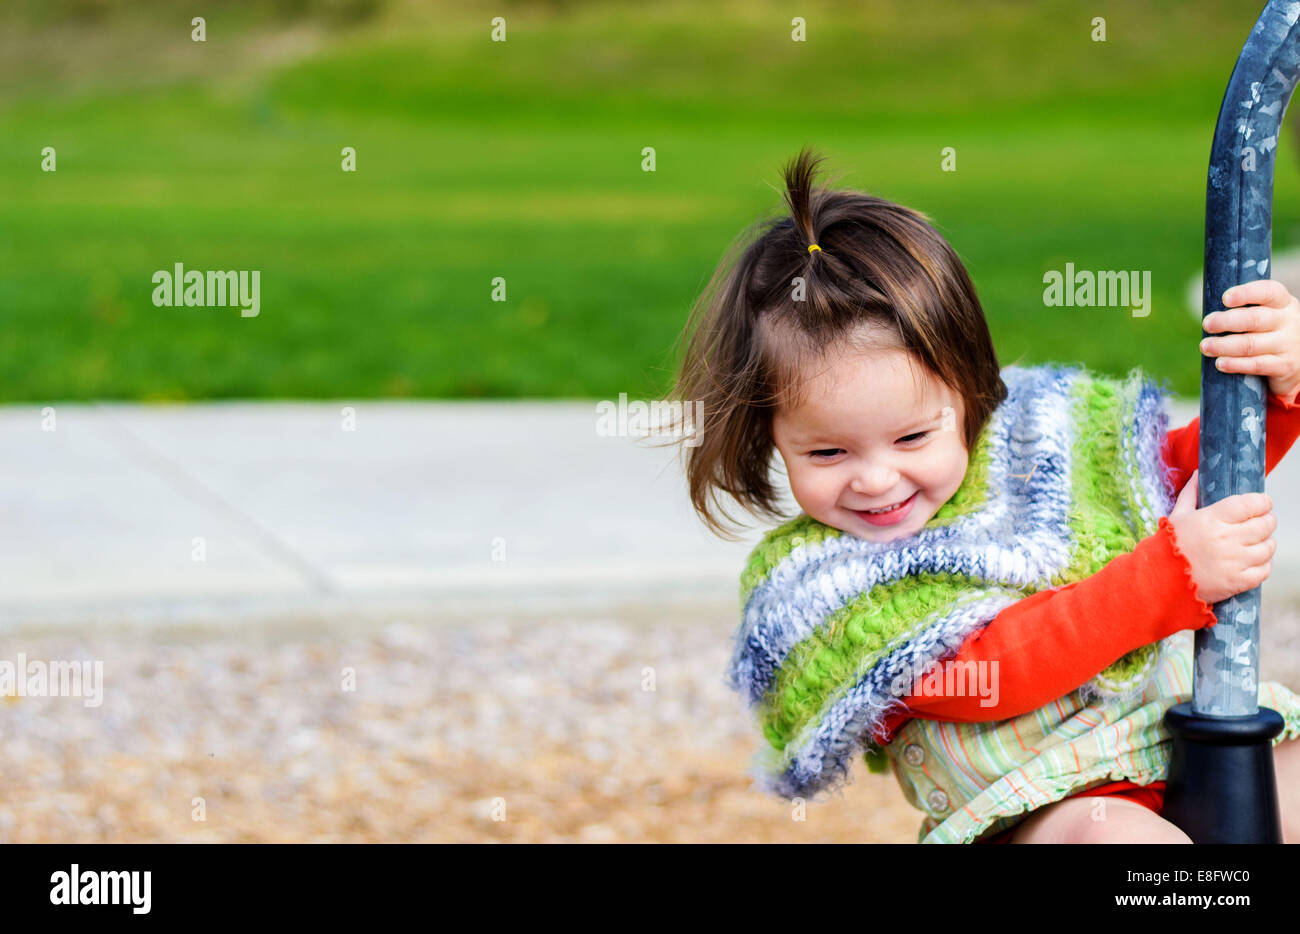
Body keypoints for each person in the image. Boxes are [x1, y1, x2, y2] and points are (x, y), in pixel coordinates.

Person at [669, 146, 1300, 843]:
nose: (876, 479)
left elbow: (1192, 465)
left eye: (912, 438)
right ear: (770, 437)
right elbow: (995, 669)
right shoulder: (821, 589)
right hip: (1044, 809)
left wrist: (1279, 385)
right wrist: (1172, 574)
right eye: (827, 452)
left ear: (970, 394)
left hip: (1179, 742)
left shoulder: (1041, 446)